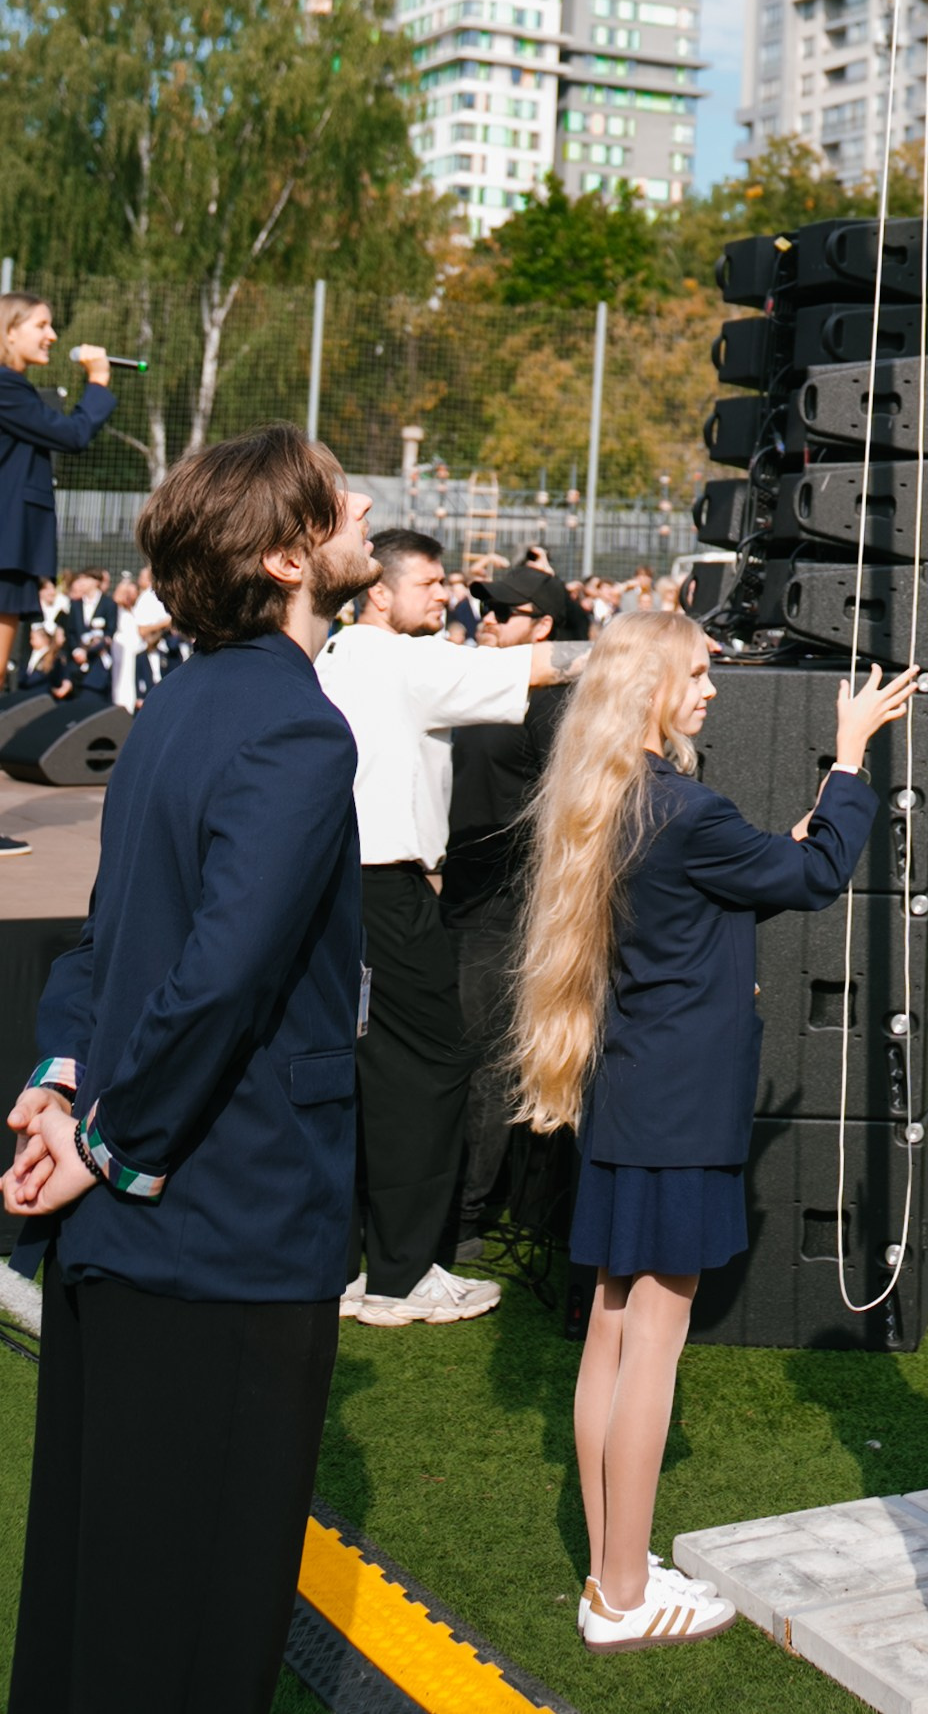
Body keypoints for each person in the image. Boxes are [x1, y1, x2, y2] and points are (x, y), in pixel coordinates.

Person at [2, 425, 374, 1714]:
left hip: (135, 1221)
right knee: (197, 1614)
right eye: (338, 497)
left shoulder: (176, 706)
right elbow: (216, 973)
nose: (364, 502)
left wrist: (59, 1089)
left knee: (101, 1587)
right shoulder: (295, 730)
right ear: (287, 553)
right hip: (227, 1224)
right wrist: (101, 1138)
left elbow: (110, 943)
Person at [511, 612, 918, 1651]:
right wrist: (852, 752)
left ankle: (613, 1570)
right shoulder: (684, 807)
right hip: (677, 1100)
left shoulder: (617, 796)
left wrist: (784, 836)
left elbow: (737, 875)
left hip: (627, 1088)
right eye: (696, 672)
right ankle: (619, 1593)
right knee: (651, 1336)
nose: (711, 688)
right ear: (649, 684)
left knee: (610, 1322)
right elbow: (815, 874)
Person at [318, 526, 574, 1328]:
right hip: (384, 890)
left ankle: (364, 1261)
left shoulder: (342, 655)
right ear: (378, 591)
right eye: (429, 583)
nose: (446, 595)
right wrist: (651, 644)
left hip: (348, 887)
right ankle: (402, 1273)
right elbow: (541, 664)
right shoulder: (398, 658)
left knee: (374, 1069)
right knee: (431, 1066)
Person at [445, 562, 587, 1250]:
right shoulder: (468, 679)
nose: (489, 619)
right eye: (486, 607)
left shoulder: (553, 706)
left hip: (505, 909)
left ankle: (469, 1214)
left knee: (485, 1059)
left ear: (545, 627)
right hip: (446, 897)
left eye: (505, 610)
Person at [0, 301, 114, 848]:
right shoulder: (6, 386)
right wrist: (97, 383)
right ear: (8, 331)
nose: (52, 335)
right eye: (40, 325)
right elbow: (71, 435)